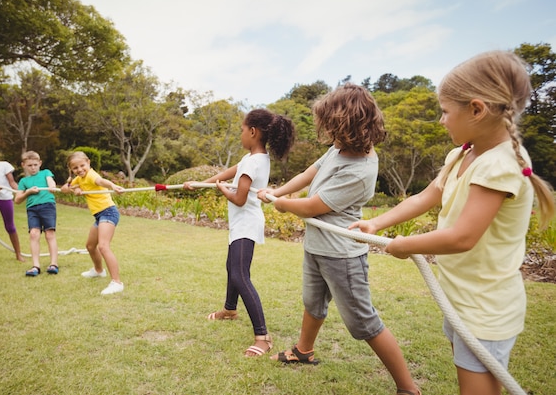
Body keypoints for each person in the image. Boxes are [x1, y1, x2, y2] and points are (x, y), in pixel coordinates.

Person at [350, 51, 555, 395]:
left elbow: (462, 237)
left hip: (485, 309)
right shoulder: (463, 153)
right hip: (461, 300)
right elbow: (426, 196)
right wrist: (377, 224)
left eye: (446, 111)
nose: (442, 120)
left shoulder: (499, 165)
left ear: (477, 109)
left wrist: (403, 246)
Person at [258, 84, 421, 395]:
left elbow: (313, 206)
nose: (325, 129)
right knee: (313, 302)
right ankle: (303, 351)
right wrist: (278, 191)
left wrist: (281, 203)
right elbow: (309, 172)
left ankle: (407, 388)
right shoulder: (338, 148)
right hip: (318, 247)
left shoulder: (360, 168)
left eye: (330, 123)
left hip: (342, 256)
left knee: (363, 321)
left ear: (346, 124)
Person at [184, 109, 295, 357]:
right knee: (231, 267)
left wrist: (222, 189)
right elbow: (229, 172)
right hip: (243, 224)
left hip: (245, 223)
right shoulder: (255, 158)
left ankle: (263, 336)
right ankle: (230, 310)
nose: (241, 135)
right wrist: (199, 183)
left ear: (253, 132)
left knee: (239, 274)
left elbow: (240, 198)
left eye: (242, 130)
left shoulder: (253, 162)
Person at [60, 151, 125, 295]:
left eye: (82, 165)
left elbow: (101, 182)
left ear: (88, 163)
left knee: (103, 246)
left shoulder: (91, 175)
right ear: (72, 170)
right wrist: (74, 187)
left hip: (108, 212)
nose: (80, 170)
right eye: (75, 168)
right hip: (99, 215)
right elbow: (63, 189)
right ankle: (98, 270)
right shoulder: (79, 178)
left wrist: (113, 186)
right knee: (90, 246)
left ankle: (117, 282)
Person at [15, 151, 59, 277]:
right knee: (34, 234)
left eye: (35, 164)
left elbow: (51, 182)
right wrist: (28, 192)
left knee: (50, 234)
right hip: (32, 209)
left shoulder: (46, 173)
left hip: (47, 206)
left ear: (40, 163)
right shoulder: (23, 181)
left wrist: (52, 186)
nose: (33, 168)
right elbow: (17, 200)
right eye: (29, 165)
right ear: (23, 165)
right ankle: (35, 266)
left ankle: (53, 264)